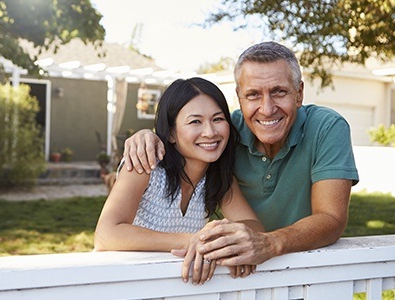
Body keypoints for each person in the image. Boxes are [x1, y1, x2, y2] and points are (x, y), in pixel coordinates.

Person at [123, 41, 359, 278]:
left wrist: (267, 243)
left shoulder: (327, 127)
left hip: (305, 270)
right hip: (243, 275)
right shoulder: (224, 134)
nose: (267, 109)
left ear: (299, 93)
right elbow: (185, 134)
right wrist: (149, 136)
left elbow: (331, 218)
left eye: (279, 91)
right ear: (239, 97)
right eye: (253, 95)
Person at [94, 77, 264, 285]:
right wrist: (196, 240)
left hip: (176, 286)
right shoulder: (146, 164)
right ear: (171, 133)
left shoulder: (218, 177)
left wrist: (220, 238)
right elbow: (106, 234)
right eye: (195, 121)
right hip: (124, 283)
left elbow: (255, 227)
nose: (210, 132)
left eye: (218, 119)